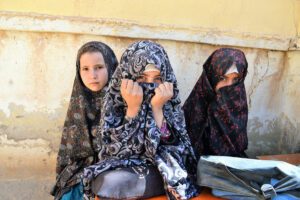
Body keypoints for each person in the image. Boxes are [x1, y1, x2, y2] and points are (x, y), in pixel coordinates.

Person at [83, 40, 199, 200]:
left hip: (160, 168)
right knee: (107, 182)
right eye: (142, 77)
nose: (150, 85)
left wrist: (157, 109)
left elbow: (180, 152)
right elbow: (112, 153)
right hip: (123, 167)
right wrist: (132, 109)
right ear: (128, 75)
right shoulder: (115, 102)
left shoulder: (169, 102)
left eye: (157, 78)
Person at [51, 41, 118, 200]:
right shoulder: (79, 100)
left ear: (110, 66)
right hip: (81, 173)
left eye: (99, 68)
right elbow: (69, 153)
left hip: (115, 172)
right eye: (85, 69)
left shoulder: (122, 101)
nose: (92, 75)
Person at [183, 48, 248, 158]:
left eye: (236, 79)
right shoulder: (196, 106)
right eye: (222, 78)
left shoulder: (238, 104)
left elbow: (238, 148)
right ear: (210, 77)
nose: (229, 85)